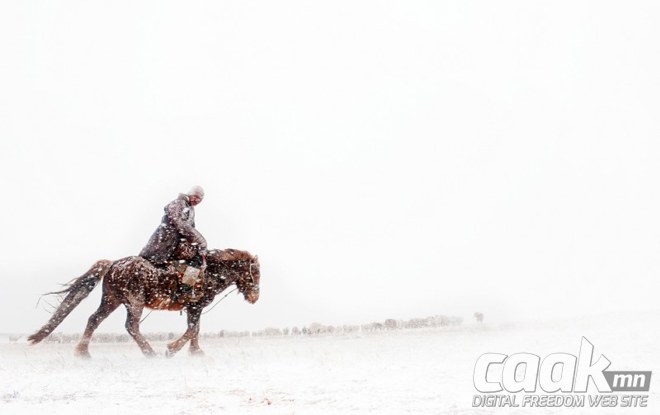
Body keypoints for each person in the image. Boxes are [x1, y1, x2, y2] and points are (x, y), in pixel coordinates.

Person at [140, 185, 208, 268]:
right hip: (165, 240)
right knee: (155, 262)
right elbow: (181, 225)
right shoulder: (179, 203)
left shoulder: (191, 210)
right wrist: (201, 241)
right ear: (190, 194)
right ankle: (187, 279)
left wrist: (197, 243)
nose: (197, 200)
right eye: (195, 196)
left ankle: (189, 278)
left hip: (176, 243)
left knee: (195, 257)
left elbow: (191, 228)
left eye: (199, 199)